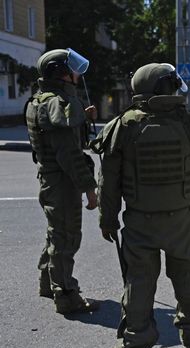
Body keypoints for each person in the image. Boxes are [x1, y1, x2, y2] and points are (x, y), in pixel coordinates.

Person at [97, 63, 190, 348]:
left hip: (139, 222)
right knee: (189, 276)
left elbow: (108, 183)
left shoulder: (123, 126)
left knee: (138, 282)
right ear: (166, 88)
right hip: (181, 220)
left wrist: (107, 219)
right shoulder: (188, 123)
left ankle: (135, 346)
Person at [24, 48, 100, 314]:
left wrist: (83, 116)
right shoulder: (57, 103)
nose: (76, 74)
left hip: (50, 179)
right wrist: (90, 189)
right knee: (67, 237)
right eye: (71, 69)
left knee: (56, 233)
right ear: (60, 73)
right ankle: (66, 295)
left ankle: (48, 282)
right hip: (62, 181)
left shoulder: (41, 100)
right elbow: (69, 154)